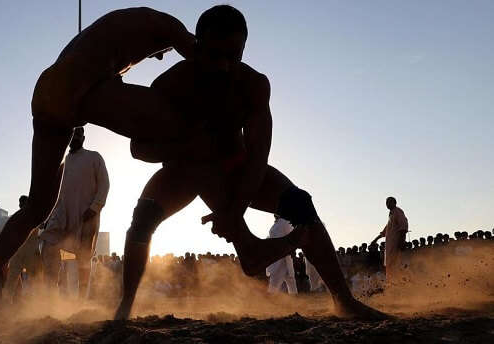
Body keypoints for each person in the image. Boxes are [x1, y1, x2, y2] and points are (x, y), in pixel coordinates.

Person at [114, 5, 386, 320]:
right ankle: (125, 305)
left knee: (301, 204)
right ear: (196, 47)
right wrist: (186, 143)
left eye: (234, 56)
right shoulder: (169, 86)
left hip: (237, 165)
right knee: (143, 218)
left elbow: (258, 157)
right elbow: (139, 149)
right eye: (215, 55)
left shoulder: (254, 85)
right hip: (182, 171)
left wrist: (234, 212)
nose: (224, 66)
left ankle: (344, 301)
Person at [0, 7, 201, 326]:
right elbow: (205, 64)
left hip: (50, 93)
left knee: (37, 208)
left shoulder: (116, 35)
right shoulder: (165, 26)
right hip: (73, 92)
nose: (160, 58)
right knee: (175, 122)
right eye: (165, 52)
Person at [40, 126, 110, 297]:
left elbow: (104, 184)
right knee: (49, 246)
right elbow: (54, 193)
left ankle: (81, 300)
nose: (75, 137)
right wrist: (48, 216)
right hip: (61, 216)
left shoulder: (94, 157)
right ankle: (51, 295)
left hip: (86, 216)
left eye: (79, 134)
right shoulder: (62, 164)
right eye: (72, 134)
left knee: (83, 258)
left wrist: (95, 208)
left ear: (83, 138)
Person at [3, 195, 42, 302]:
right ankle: (7, 301)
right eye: (20, 203)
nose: (21, 205)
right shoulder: (20, 217)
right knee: (12, 278)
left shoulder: (34, 217)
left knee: (34, 279)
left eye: (22, 203)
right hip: (20, 252)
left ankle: (36, 302)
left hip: (29, 251)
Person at [370, 197, 408, 282]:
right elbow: (385, 231)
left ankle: (400, 285)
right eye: (386, 202)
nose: (387, 204)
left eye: (389, 202)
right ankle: (391, 286)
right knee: (389, 266)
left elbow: (403, 226)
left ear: (395, 203)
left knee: (396, 266)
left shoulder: (398, 211)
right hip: (390, 246)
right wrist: (375, 239)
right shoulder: (391, 215)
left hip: (396, 245)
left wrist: (402, 241)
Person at [265, 216, 297, 294]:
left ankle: (295, 300)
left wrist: (292, 250)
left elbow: (291, 236)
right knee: (284, 280)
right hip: (277, 256)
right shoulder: (276, 224)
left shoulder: (285, 222)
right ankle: (294, 298)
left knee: (287, 279)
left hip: (283, 255)